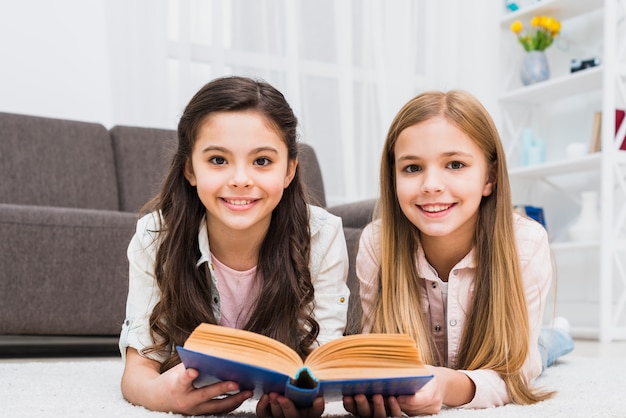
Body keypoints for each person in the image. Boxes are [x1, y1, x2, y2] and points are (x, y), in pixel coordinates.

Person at [118, 75, 350, 418]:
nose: (240, 179)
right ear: (189, 169)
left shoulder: (323, 235)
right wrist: (161, 396)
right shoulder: (156, 236)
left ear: (289, 171)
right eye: (217, 160)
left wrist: (309, 398)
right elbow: (137, 369)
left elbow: (322, 359)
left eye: (261, 161)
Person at [345, 89, 574, 417]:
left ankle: (560, 332)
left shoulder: (526, 243)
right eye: (412, 168)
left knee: (543, 349)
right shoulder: (375, 243)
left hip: (513, 345)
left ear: (489, 178)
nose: (431, 185)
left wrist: (444, 385)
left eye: (455, 164)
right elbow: (379, 356)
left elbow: (515, 374)